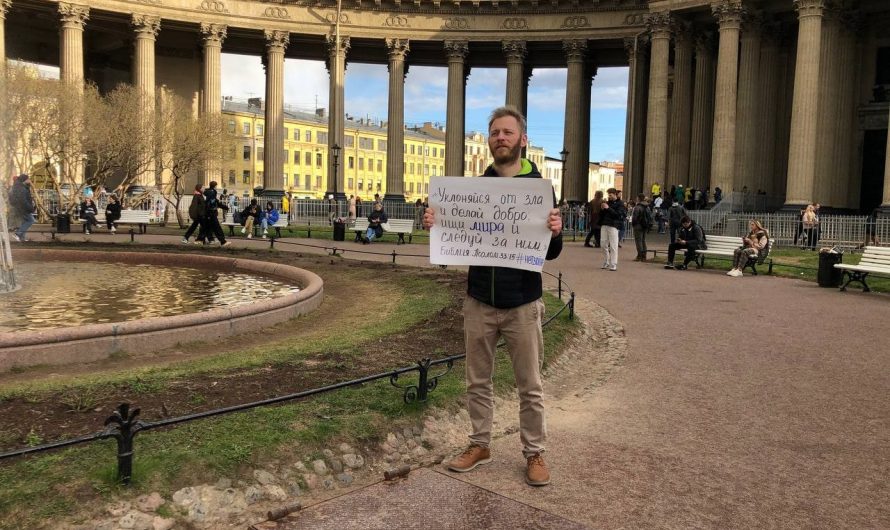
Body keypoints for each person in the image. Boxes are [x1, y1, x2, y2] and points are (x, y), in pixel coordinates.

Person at [423, 106, 562, 487]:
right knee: (477, 381)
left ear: (522, 140)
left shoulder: (540, 188)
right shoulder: (472, 189)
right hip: (480, 299)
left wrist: (555, 230)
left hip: (523, 302)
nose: (501, 138)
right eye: (495, 132)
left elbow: (549, 253)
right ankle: (479, 445)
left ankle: (534, 452)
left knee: (529, 385)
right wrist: (436, 224)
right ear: (489, 140)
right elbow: (452, 240)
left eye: (507, 132)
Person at [599, 187, 625, 271]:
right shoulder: (607, 203)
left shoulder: (620, 204)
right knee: (603, 244)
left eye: (610, 195)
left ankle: (613, 263)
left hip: (613, 225)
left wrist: (608, 208)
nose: (609, 196)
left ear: (615, 194)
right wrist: (602, 209)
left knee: (613, 245)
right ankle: (606, 260)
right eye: (608, 195)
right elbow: (602, 215)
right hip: (604, 224)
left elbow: (618, 215)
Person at [203, 180, 231, 247]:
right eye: (216, 186)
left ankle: (210, 240)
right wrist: (224, 207)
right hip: (211, 213)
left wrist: (225, 207)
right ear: (215, 186)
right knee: (217, 227)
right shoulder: (212, 192)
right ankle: (223, 242)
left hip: (208, 213)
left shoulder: (207, 192)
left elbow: (215, 202)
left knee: (208, 227)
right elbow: (213, 202)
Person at [9, 174, 36, 242]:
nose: (29, 180)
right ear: (24, 180)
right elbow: (23, 201)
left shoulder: (21, 186)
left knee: (25, 222)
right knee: (31, 220)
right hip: (23, 208)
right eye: (28, 179)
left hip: (20, 208)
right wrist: (30, 208)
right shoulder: (22, 188)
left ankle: (22, 238)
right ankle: (17, 234)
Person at [631, 194, 652, 262]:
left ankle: (639, 255)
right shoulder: (647, 207)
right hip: (645, 225)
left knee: (638, 241)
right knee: (643, 240)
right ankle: (644, 255)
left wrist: (633, 224)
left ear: (638, 198)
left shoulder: (638, 207)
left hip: (638, 225)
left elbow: (635, 217)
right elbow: (650, 217)